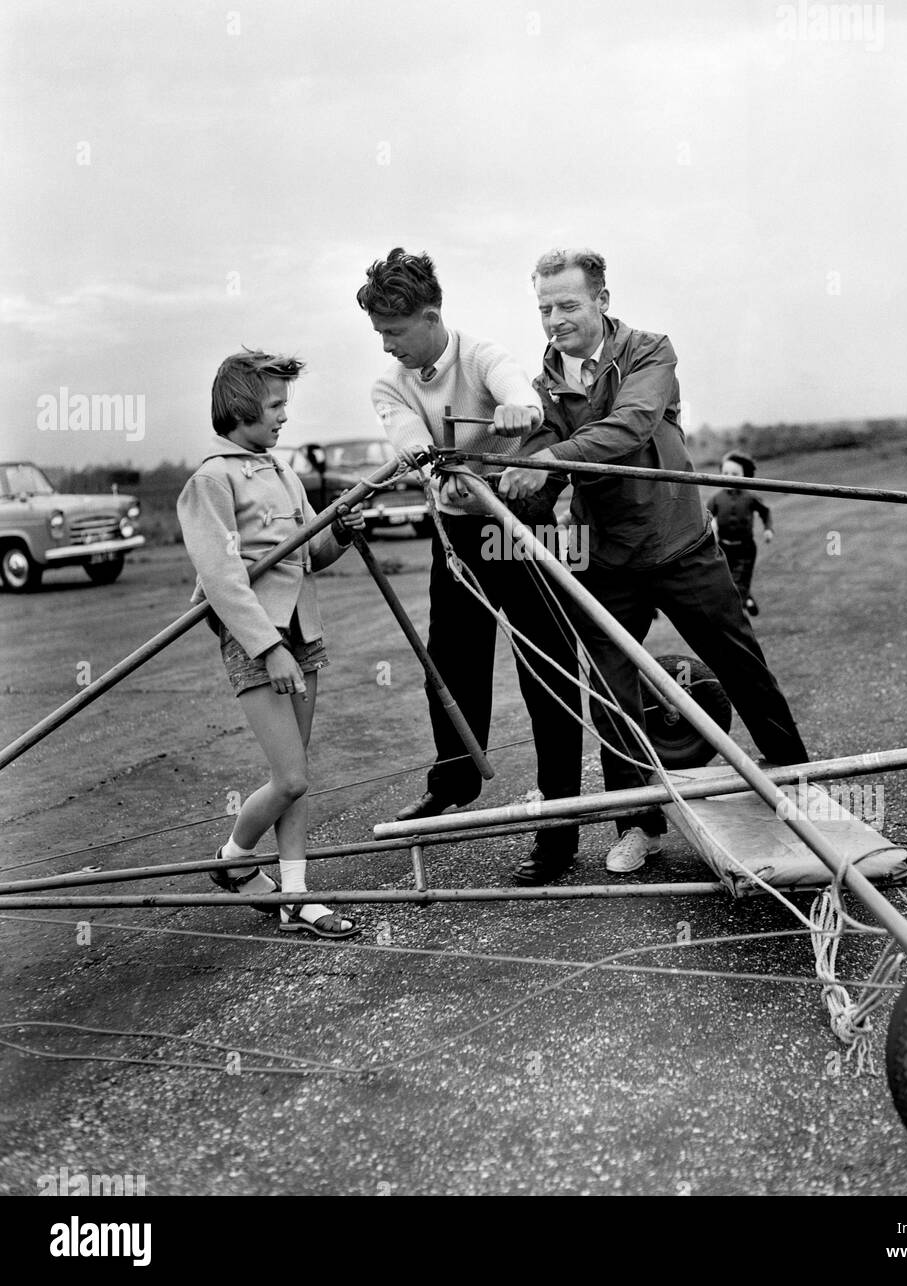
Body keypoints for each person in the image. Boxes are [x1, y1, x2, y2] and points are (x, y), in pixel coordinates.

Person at [500, 248, 809, 874]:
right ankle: (639, 823)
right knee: (614, 695)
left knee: (740, 667)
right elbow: (535, 466)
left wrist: (549, 462)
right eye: (544, 309)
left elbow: (632, 426)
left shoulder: (650, 351)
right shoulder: (543, 386)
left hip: (681, 547)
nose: (554, 319)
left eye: (567, 305)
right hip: (609, 563)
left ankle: (799, 790)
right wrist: (502, 478)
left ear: (602, 301)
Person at [359, 248, 584, 885]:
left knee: (546, 667)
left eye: (395, 333)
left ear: (431, 318)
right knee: (450, 661)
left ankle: (559, 828)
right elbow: (408, 440)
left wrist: (519, 410)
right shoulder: (390, 384)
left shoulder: (482, 355)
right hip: (454, 533)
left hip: (513, 524)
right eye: (380, 334)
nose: (387, 346)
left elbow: (520, 396)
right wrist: (432, 462)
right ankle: (455, 781)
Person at [177, 349, 365, 938]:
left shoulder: (282, 473)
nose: (285, 415)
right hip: (258, 641)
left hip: (302, 633)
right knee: (291, 779)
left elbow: (310, 556)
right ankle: (233, 861)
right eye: (276, 404)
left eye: (287, 403)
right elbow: (222, 578)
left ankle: (294, 897)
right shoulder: (211, 479)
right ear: (241, 407)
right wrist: (267, 647)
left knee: (298, 773)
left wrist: (341, 535)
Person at [707, 450, 773, 615]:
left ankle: (737, 610)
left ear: (745, 475)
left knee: (741, 580)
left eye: (734, 474)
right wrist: (711, 524)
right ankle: (747, 599)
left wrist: (768, 529)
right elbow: (705, 516)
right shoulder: (716, 498)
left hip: (746, 548)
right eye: (725, 473)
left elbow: (765, 512)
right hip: (723, 548)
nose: (729, 477)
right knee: (727, 581)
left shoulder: (750, 496)